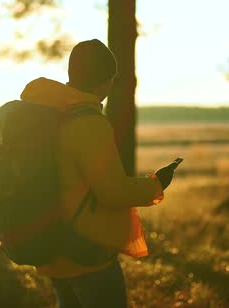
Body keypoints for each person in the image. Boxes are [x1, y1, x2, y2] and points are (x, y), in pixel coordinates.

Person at [20, 39, 178, 308]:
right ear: (105, 80)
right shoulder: (89, 123)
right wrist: (156, 184)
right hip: (85, 250)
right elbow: (112, 192)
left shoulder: (47, 115)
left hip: (51, 246)